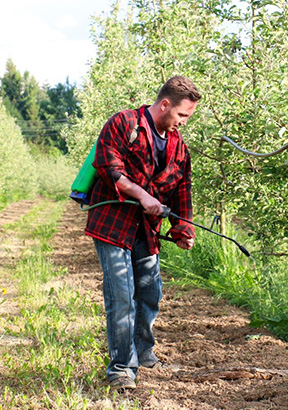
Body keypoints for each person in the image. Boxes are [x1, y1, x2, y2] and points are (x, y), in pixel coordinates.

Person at [85, 76, 200, 391]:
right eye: (182, 115)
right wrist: (142, 195)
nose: (183, 123)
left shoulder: (179, 148)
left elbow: (182, 192)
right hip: (113, 223)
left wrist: (183, 229)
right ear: (165, 104)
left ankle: (143, 352)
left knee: (150, 293)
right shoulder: (123, 123)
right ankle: (121, 368)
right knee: (121, 297)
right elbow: (109, 168)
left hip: (146, 231)